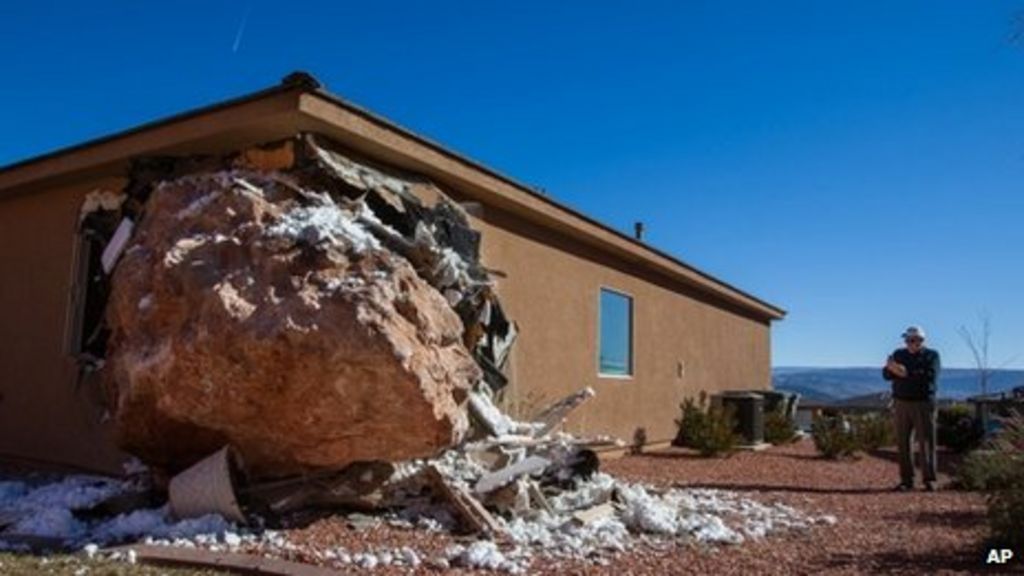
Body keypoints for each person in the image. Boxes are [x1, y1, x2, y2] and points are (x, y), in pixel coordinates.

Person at [882, 326, 941, 491]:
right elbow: (887, 375)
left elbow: (929, 377)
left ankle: (929, 479)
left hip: (923, 403)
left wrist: (905, 373)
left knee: (926, 442)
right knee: (902, 442)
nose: (909, 343)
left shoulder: (932, 356)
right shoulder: (899, 354)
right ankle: (906, 480)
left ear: (921, 340)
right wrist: (891, 369)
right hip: (901, 402)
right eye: (907, 340)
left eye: (913, 340)